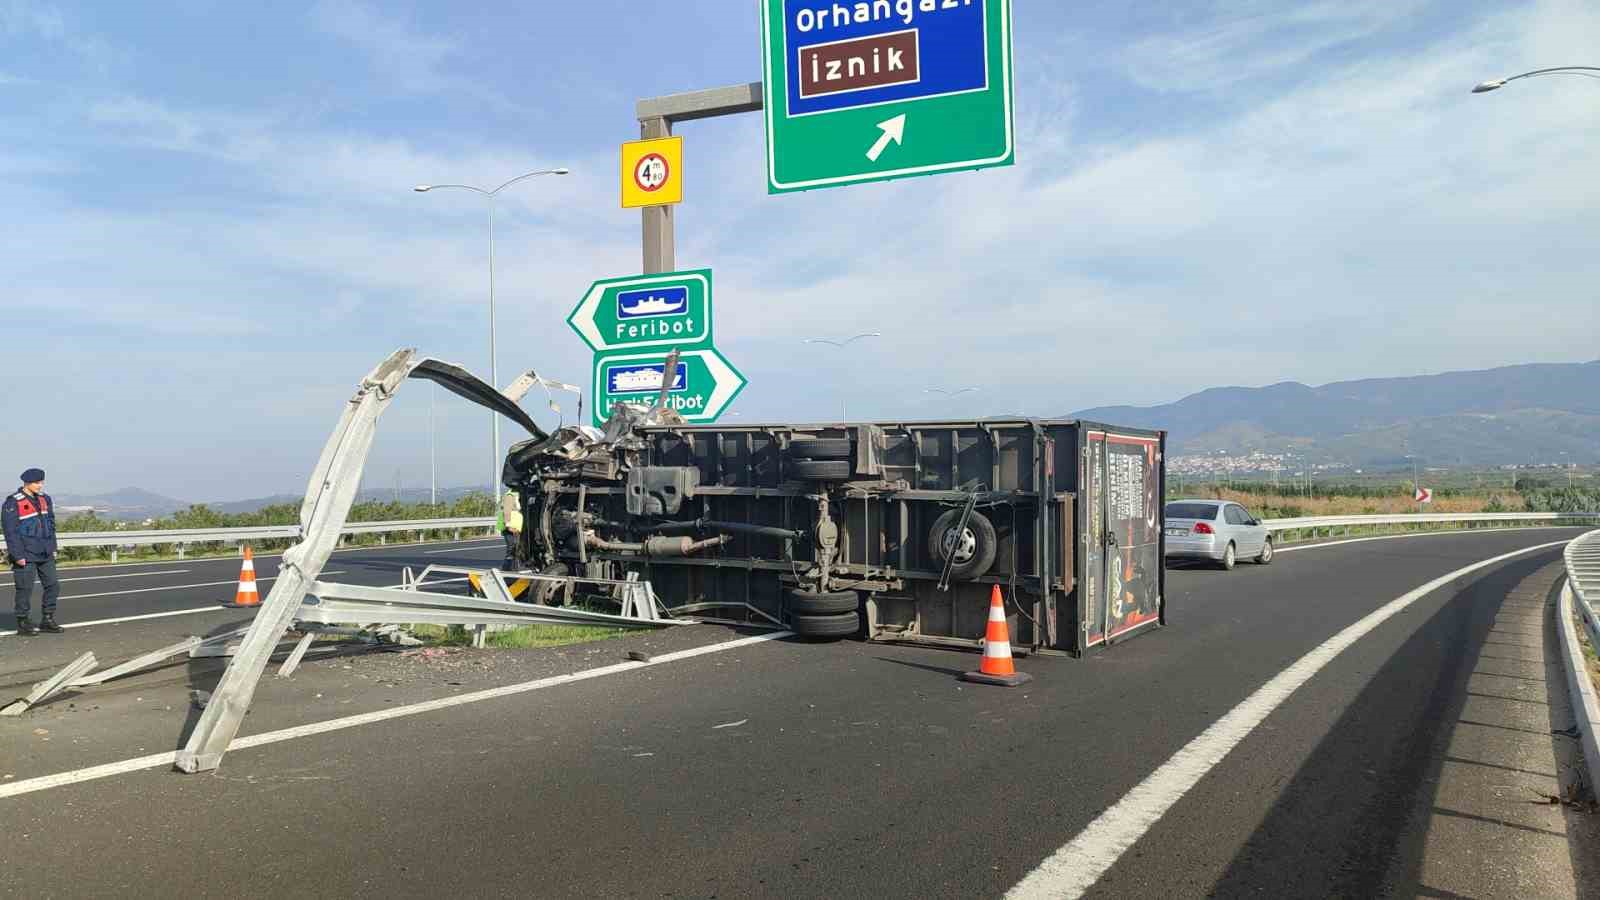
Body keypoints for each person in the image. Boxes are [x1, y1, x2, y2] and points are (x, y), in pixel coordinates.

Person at [3, 468, 62, 635]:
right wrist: (17, 555)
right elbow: (10, 532)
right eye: (37, 482)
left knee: (53, 586)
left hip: (45, 552)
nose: (40, 485)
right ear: (27, 483)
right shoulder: (13, 502)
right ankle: (23, 622)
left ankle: (47, 619)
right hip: (25, 554)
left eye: (42, 482)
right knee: (25, 589)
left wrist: (53, 547)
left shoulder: (45, 499)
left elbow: (51, 525)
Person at [498, 488, 524, 570]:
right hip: (510, 528)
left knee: (515, 548)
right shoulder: (510, 496)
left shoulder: (516, 496)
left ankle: (513, 568)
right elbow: (507, 512)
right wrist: (509, 526)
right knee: (511, 549)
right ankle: (506, 569)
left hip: (515, 528)